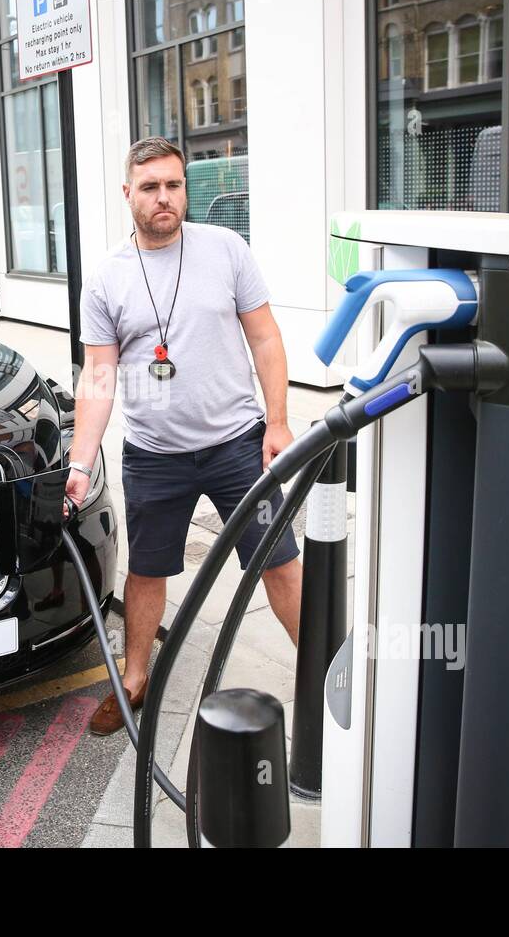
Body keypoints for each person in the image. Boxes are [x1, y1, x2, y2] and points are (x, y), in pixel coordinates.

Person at [67, 136, 303, 736]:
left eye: (173, 185)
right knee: (145, 572)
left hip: (237, 445)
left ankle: (326, 673)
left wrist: (276, 422)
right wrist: (80, 462)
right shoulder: (106, 280)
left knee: (279, 564)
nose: (164, 198)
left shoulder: (226, 249)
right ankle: (136, 676)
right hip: (153, 454)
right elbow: (99, 376)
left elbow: (267, 339)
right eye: (150, 187)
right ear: (128, 195)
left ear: (184, 189)